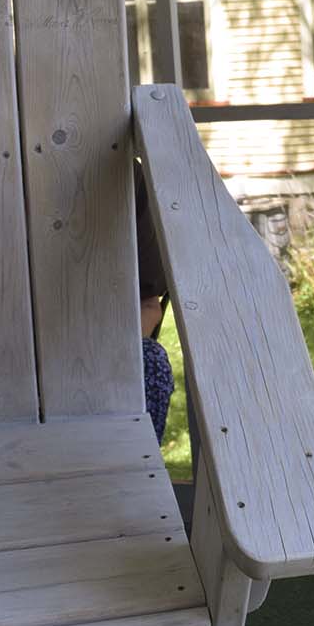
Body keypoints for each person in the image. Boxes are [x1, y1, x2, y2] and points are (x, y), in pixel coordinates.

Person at [136, 166, 174, 443]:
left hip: (104, 354)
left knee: (151, 362)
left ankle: (139, 462)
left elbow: (149, 305)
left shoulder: (125, 179)